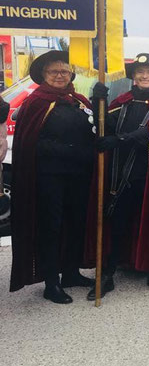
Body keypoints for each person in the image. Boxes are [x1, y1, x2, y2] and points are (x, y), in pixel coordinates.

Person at [89, 53, 149, 299]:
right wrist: (96, 102)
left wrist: (120, 140)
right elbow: (104, 125)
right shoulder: (122, 100)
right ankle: (107, 273)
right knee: (117, 222)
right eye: (140, 72)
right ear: (133, 76)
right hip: (121, 174)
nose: (145, 76)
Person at [10, 51, 95, 303]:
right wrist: (70, 150)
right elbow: (33, 142)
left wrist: (101, 108)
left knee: (76, 222)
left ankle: (71, 272)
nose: (60, 75)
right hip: (49, 177)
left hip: (79, 175)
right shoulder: (36, 102)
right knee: (52, 227)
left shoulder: (78, 100)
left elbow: (94, 131)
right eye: (54, 72)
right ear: (44, 76)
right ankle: (51, 282)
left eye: (64, 71)